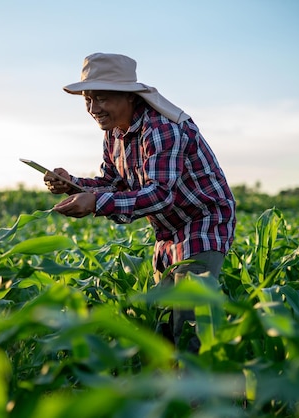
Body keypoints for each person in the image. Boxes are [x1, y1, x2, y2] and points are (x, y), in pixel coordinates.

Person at [44, 53, 236, 353]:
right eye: (87, 99)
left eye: (102, 98)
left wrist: (95, 203)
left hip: (202, 222)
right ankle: (167, 392)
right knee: (161, 319)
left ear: (130, 97)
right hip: (168, 231)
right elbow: (112, 182)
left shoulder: (161, 128)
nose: (93, 108)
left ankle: (203, 396)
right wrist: (72, 184)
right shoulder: (114, 134)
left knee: (190, 323)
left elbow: (160, 194)